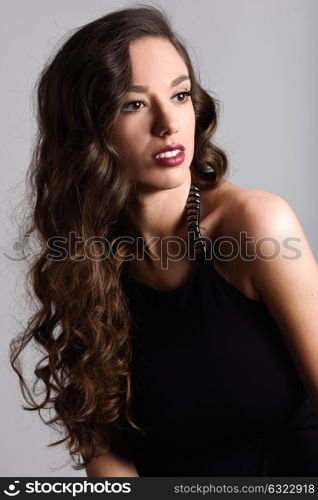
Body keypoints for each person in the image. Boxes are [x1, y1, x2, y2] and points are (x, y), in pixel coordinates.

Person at [10, 5, 318, 477]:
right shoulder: (79, 257)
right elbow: (104, 452)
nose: (168, 124)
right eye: (133, 104)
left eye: (179, 95)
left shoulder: (257, 226)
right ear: (86, 129)